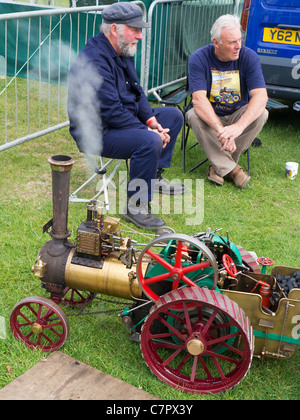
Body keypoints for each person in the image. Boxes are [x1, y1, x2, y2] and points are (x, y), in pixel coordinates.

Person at [67, 2, 184, 230]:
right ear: (114, 29)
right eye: (135, 29)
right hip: (98, 132)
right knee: (149, 140)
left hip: (118, 121)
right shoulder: (95, 59)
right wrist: (149, 132)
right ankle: (135, 206)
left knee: (172, 116)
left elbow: (137, 91)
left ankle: (154, 175)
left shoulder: (121, 48)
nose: (140, 36)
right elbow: (110, 111)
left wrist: (152, 121)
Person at [186, 14, 269, 188]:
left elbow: (261, 96)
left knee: (262, 113)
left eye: (239, 40)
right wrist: (222, 131)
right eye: (232, 42)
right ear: (216, 43)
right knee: (193, 114)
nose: (238, 46)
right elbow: (199, 99)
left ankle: (220, 166)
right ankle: (232, 169)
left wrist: (237, 128)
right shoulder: (199, 58)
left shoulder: (249, 57)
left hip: (236, 115)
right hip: (211, 117)